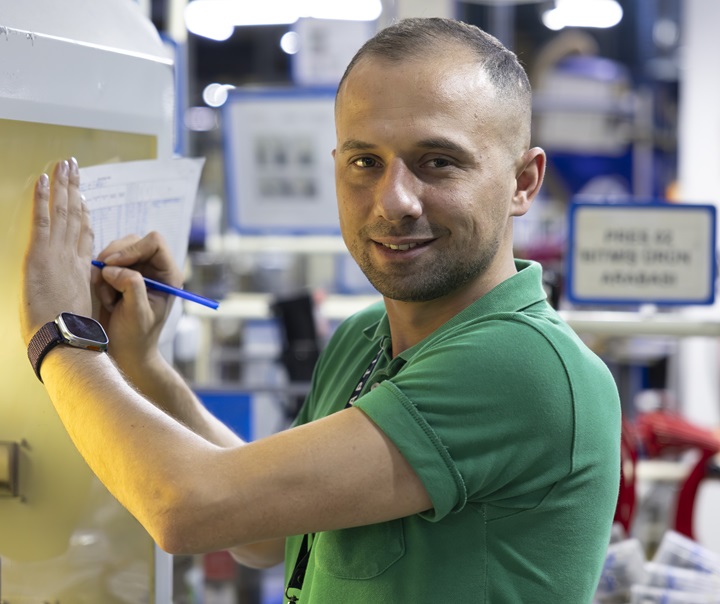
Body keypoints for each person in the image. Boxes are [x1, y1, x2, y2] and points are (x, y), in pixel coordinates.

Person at [20, 17, 621, 603]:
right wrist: (142, 362)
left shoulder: (524, 365)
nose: (394, 200)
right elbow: (264, 535)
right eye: (366, 162)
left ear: (523, 181)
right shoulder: (367, 336)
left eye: (438, 161)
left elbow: (188, 509)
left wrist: (61, 334)